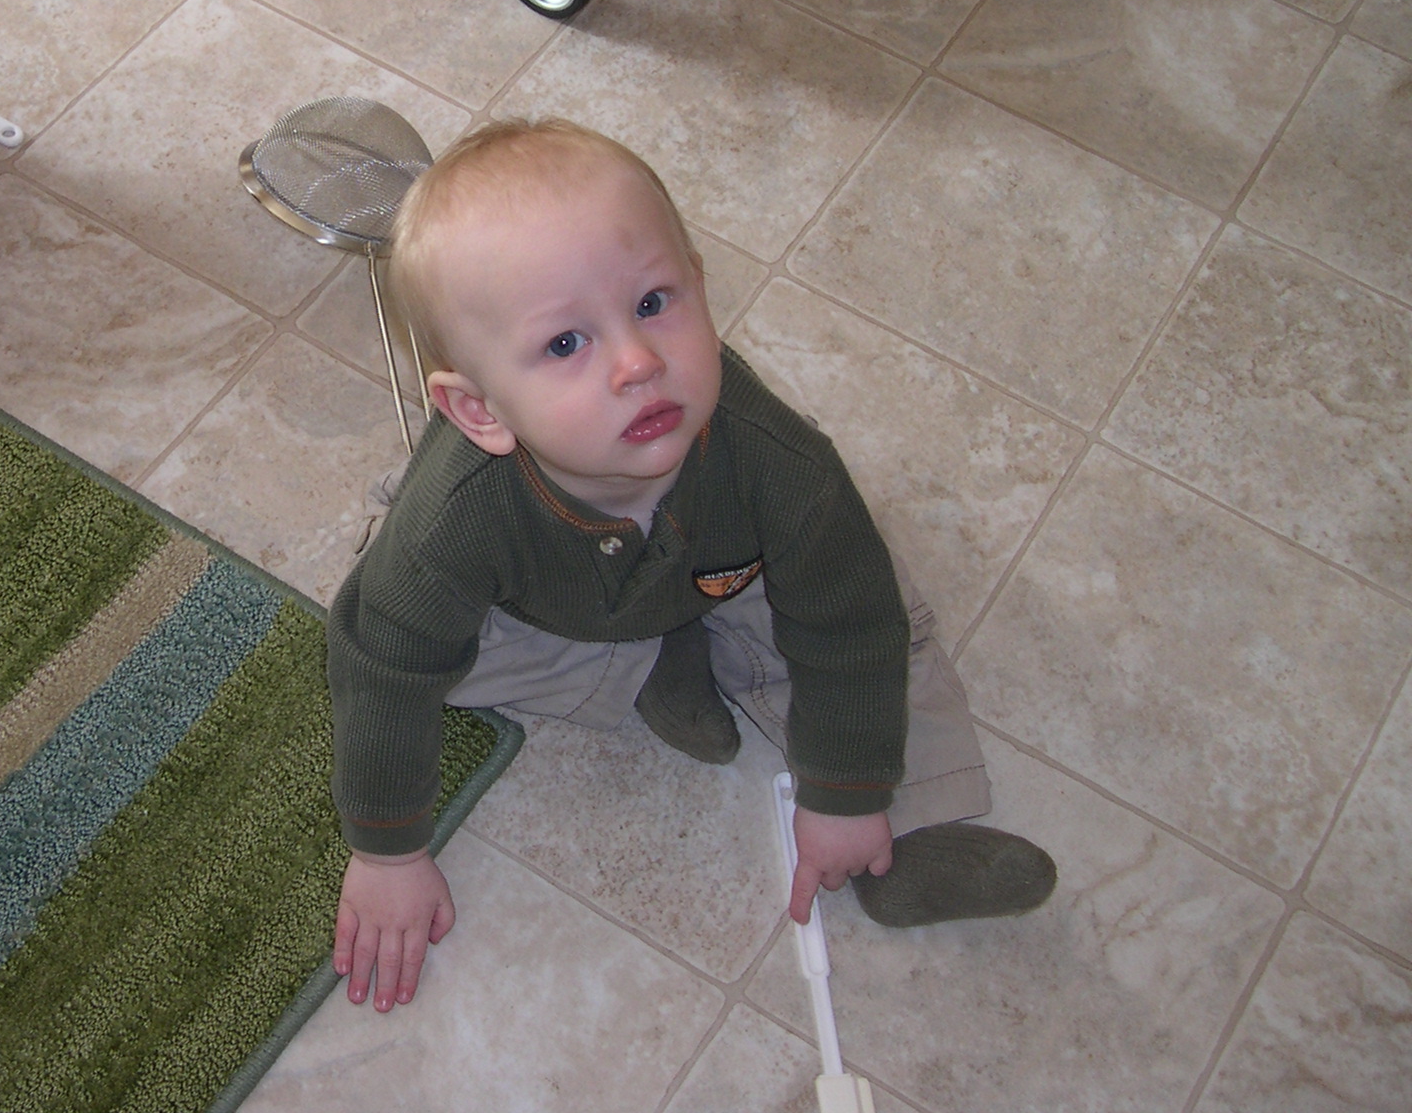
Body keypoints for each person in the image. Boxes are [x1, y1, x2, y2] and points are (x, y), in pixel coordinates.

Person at [326, 118, 1056, 1012]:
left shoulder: (777, 463)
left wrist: (845, 789)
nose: (638, 362)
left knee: (875, 611)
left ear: (702, 286)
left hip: (730, 572)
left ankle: (912, 828)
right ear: (479, 410)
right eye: (565, 345)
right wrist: (388, 850)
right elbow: (385, 662)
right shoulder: (458, 516)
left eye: (653, 302)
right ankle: (657, 665)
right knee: (400, 635)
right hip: (540, 600)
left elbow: (849, 625)